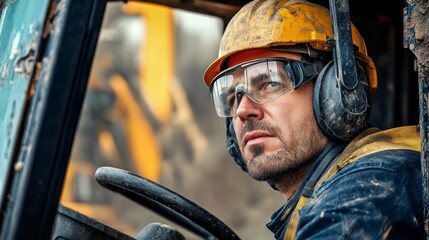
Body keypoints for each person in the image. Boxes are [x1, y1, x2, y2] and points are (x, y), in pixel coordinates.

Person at [202, 0, 424, 239]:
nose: (243, 110)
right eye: (231, 98)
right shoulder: (319, 197)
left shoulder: (365, 190)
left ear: (338, 93)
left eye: (269, 83)